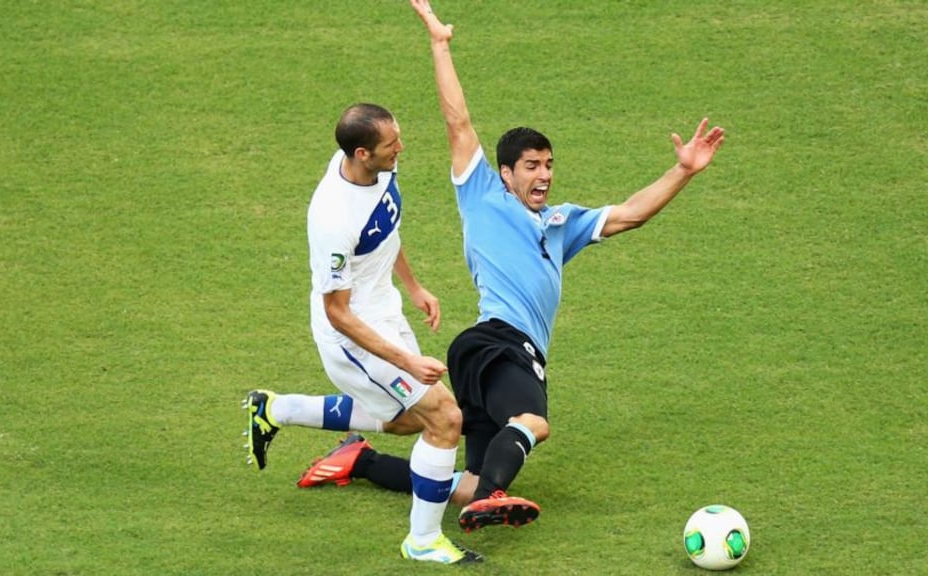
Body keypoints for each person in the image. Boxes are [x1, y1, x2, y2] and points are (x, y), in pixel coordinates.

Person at [296, 0, 725, 535]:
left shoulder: (563, 222)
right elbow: (458, 121)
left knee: (465, 484)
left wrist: (683, 171)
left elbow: (628, 216)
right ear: (505, 174)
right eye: (531, 166)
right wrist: (440, 44)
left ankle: (360, 461)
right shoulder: (484, 198)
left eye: (548, 164)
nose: (543, 174)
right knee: (533, 423)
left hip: (479, 352)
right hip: (501, 342)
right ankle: (494, 494)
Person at [245, 102, 485, 564]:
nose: (401, 148)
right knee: (445, 419)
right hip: (353, 337)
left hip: (386, 312)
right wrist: (408, 361)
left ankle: (278, 408)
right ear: (361, 153)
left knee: (407, 421)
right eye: (391, 145)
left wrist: (413, 286)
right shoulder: (332, 218)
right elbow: (337, 312)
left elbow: (384, 230)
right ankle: (423, 541)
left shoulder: (376, 171)